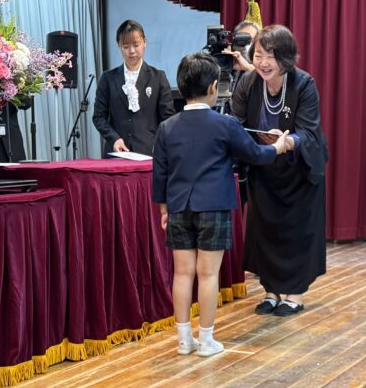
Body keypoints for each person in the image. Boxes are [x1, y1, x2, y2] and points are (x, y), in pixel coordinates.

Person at [152, 52, 288, 357]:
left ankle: (184, 341)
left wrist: (163, 209)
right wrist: (278, 147)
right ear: (214, 87)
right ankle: (207, 340)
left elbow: (159, 174)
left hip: (178, 207)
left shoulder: (167, 127)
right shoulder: (225, 123)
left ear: (181, 86)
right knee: (208, 274)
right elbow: (254, 154)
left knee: (182, 274)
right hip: (213, 206)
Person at [232, 25, 329, 317]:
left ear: (285, 58)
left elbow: (309, 133)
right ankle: (271, 292)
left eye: (270, 56)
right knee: (265, 230)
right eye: (258, 55)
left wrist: (287, 142)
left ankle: (294, 294)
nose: (263, 63)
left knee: (297, 232)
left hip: (299, 169)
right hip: (264, 168)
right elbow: (236, 124)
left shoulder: (304, 84)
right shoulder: (248, 82)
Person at [93, 19, 175, 155]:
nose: (131, 51)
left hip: (149, 152)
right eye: (126, 46)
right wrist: (114, 138)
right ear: (119, 46)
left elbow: (168, 118)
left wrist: (159, 143)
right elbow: (98, 117)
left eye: (136, 45)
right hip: (117, 152)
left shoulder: (158, 77)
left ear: (144, 42)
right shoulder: (108, 78)